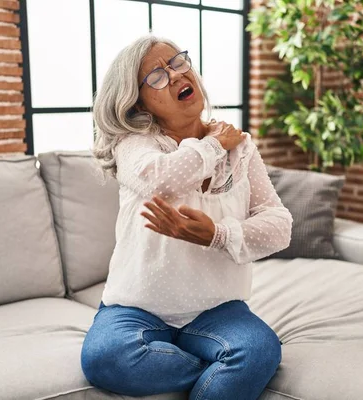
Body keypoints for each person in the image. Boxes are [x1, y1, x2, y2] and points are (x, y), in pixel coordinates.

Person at [81, 35, 293, 400]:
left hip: (217, 309)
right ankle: (215, 371)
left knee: (260, 351)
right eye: (157, 77)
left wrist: (218, 234)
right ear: (137, 101)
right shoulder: (134, 145)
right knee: (105, 357)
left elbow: (280, 225)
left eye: (178, 63)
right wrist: (213, 145)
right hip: (136, 308)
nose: (176, 75)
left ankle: (221, 367)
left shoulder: (240, 148)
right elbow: (162, 179)